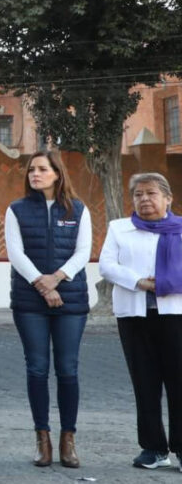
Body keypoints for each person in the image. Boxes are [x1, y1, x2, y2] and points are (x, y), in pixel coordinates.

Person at [5, 150, 90, 468]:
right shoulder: (16, 209)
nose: (35, 174)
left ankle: (68, 439)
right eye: (31, 170)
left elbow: (83, 251)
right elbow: (15, 252)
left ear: (57, 173)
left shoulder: (77, 209)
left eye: (42, 169)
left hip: (71, 300)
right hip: (30, 302)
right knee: (37, 369)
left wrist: (56, 279)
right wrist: (42, 284)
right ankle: (43, 438)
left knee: (67, 369)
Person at [99, 172, 182, 470]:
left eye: (151, 193)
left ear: (168, 198)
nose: (144, 199)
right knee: (144, 382)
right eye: (138, 194)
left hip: (175, 315)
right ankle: (153, 448)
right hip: (134, 315)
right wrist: (139, 282)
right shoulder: (119, 229)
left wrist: (169, 281)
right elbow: (107, 265)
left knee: (179, 382)